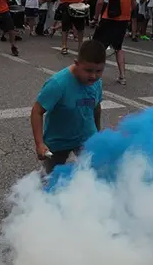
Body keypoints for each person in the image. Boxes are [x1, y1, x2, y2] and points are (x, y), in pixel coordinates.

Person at [30, 39, 105, 174]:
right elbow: (37, 111)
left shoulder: (96, 82)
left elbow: (96, 107)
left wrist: (97, 134)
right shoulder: (58, 84)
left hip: (86, 138)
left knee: (92, 175)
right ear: (76, 63)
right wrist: (40, 144)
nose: (93, 76)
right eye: (88, 70)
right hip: (58, 141)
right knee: (51, 179)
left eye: (99, 71)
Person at [93, 0, 134, 85]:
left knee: (98, 46)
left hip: (109, 18)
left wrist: (95, 17)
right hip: (123, 20)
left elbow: (100, 1)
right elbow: (134, 3)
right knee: (118, 47)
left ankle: (93, 74)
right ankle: (122, 76)